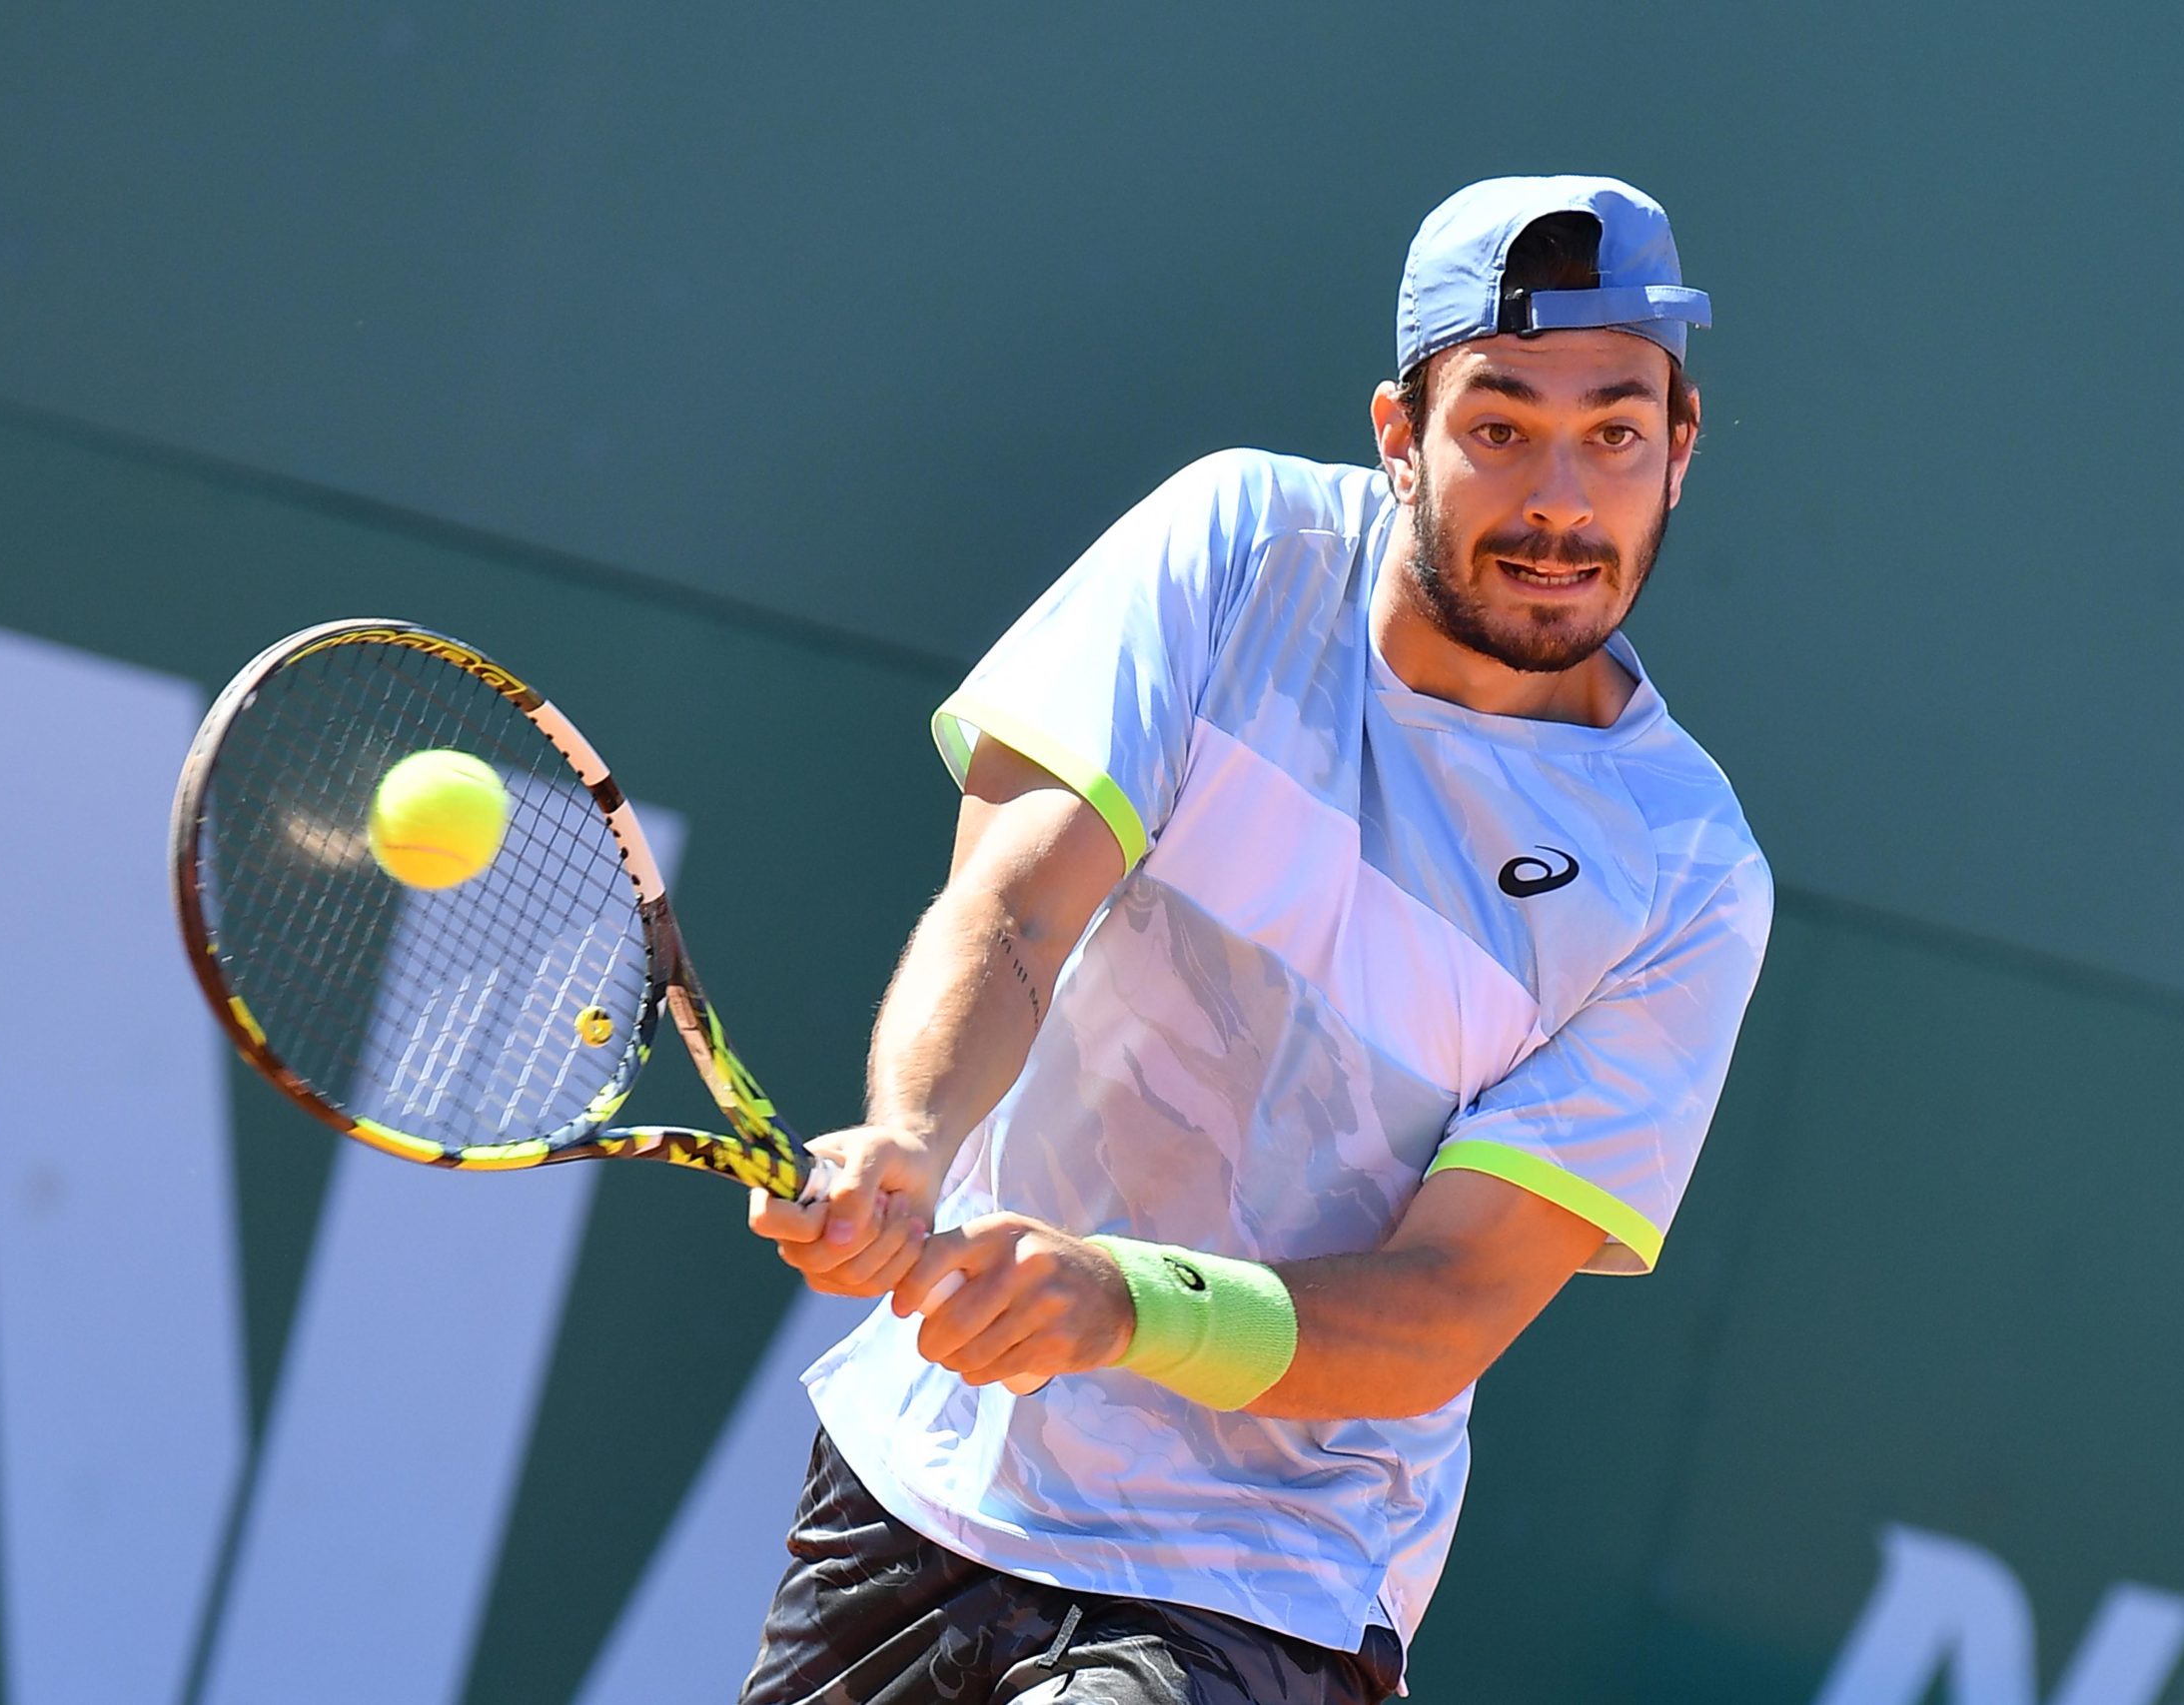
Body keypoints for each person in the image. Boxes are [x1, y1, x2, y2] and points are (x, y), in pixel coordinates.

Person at [739, 174, 1771, 1705]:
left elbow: (1440, 1309)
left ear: (1677, 451)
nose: (1561, 495)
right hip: (927, 1485)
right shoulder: (1236, 544)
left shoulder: (1687, 877)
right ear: (1398, 434)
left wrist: (1113, 1302)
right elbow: (1017, 906)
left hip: (1264, 1578)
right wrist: (910, 1137)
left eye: (1614, 431)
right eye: (1499, 426)